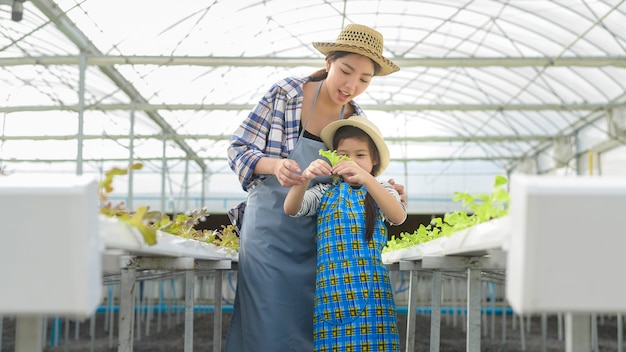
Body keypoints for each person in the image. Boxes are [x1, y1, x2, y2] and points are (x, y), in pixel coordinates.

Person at [226, 24, 405, 351]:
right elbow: (239, 148)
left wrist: (383, 189)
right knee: (267, 322)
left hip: (321, 240)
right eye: (346, 71)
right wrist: (276, 165)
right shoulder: (287, 94)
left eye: (364, 79)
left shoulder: (356, 119)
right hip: (271, 231)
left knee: (314, 328)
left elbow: (360, 173)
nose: (351, 85)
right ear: (328, 64)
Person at [284, 116, 407, 351]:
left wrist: (368, 180)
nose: (351, 161)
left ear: (374, 161)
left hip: (373, 296)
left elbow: (398, 216)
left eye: (360, 155)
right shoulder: (324, 191)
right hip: (331, 295)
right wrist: (305, 178)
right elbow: (291, 209)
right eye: (343, 155)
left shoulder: (381, 190)